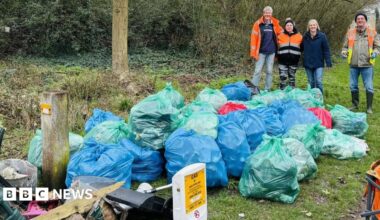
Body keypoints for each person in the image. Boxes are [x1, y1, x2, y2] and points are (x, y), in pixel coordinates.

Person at [341, 12, 380, 114]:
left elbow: (377, 47)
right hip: (353, 65)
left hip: (367, 65)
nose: (360, 20)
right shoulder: (350, 33)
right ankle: (355, 104)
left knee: (369, 86)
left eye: (362, 19)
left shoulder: (372, 32)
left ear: (365, 20)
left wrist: (375, 53)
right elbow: (345, 46)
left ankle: (369, 108)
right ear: (356, 21)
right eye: (358, 19)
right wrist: (344, 52)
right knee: (353, 85)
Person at [250, 6, 283, 93]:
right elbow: (253, 38)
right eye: (266, 12)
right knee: (257, 71)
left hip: (271, 52)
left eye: (269, 13)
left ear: (271, 14)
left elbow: (281, 34)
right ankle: (254, 90)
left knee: (269, 71)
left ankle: (267, 89)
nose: (267, 14)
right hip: (260, 52)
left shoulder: (275, 24)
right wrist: (253, 52)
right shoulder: (258, 24)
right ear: (263, 13)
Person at [301, 19, 332, 94]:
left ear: (317, 26)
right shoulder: (305, 37)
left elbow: (326, 50)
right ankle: (311, 98)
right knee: (311, 82)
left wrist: (328, 62)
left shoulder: (322, 36)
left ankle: (319, 97)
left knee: (318, 81)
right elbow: (300, 48)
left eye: (314, 25)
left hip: (319, 63)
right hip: (308, 63)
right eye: (311, 25)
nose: (312, 26)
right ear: (308, 27)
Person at [277, 18, 302, 90]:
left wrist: (297, 56)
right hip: (282, 61)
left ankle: (292, 93)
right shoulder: (280, 36)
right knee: (282, 78)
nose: (289, 26)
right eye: (287, 25)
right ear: (285, 26)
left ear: (293, 26)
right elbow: (276, 46)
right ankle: (282, 93)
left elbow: (302, 47)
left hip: (294, 61)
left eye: (291, 25)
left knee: (292, 78)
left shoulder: (299, 36)